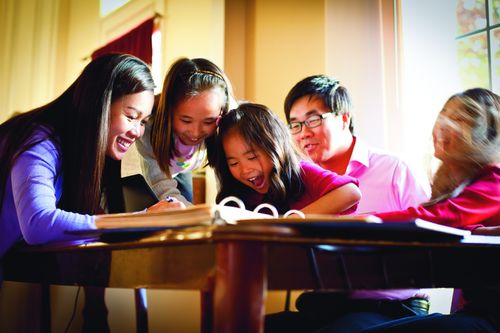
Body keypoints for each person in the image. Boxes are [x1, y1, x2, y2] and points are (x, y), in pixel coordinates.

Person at [0, 53, 179, 332]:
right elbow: (38, 223)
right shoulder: (40, 140)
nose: (137, 131)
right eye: (131, 116)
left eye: (143, 120)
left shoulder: (88, 157)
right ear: (100, 105)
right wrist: (141, 219)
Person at [264, 75, 431, 333]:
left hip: (392, 308)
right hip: (325, 306)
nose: (303, 133)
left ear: (344, 118)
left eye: (313, 119)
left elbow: (432, 240)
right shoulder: (301, 183)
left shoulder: (396, 169)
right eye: (294, 125)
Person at [361, 88, 500, 333]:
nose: (442, 125)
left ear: (483, 134)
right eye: (444, 114)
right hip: (476, 313)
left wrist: (367, 221)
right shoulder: (463, 186)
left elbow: (442, 218)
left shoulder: (495, 179)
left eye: (458, 120)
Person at [207, 102, 361, 215]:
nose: (245, 169)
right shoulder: (238, 195)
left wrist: (293, 220)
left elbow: (350, 192)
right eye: (233, 163)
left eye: (252, 157)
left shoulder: (301, 172)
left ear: (274, 146)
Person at [136, 57, 236, 205]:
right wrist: (193, 213)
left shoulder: (225, 127)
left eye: (208, 121)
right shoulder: (149, 129)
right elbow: (160, 185)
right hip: (145, 173)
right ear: (169, 111)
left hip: (180, 168)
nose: (196, 133)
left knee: (187, 202)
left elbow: (227, 184)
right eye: (186, 121)